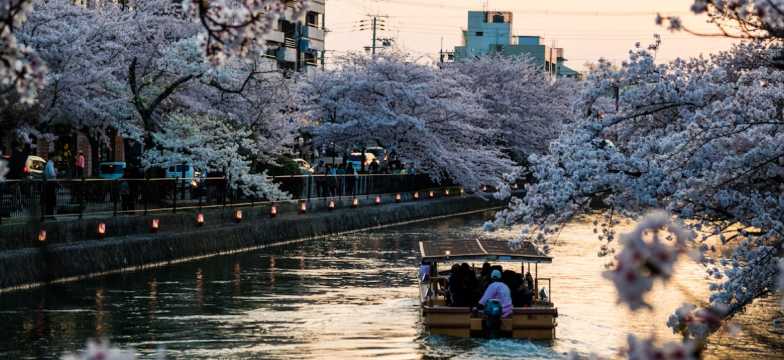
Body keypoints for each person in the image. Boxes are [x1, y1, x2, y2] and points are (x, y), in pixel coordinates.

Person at [475, 269, 513, 337]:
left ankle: (486, 333)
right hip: (509, 311)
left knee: (483, 314)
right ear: (500, 277)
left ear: (492, 277)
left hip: (499, 312)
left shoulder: (493, 285)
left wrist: (476, 308)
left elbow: (484, 301)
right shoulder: (505, 285)